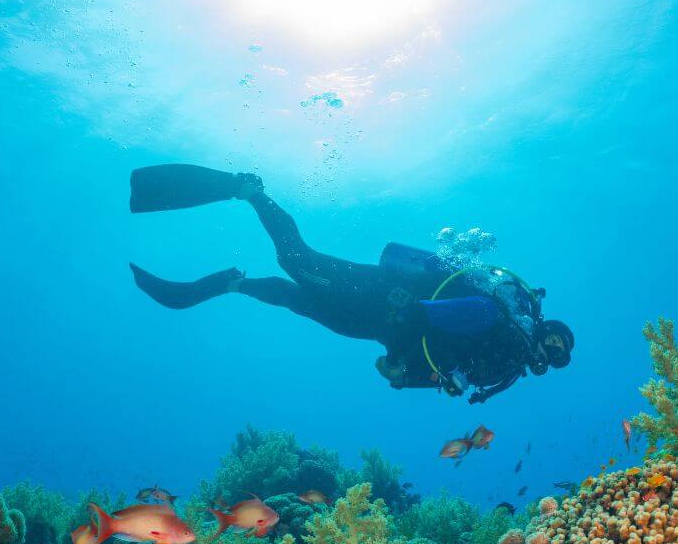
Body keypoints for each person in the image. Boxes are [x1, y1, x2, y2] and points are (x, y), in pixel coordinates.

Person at [127, 164, 573, 403]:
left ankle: (233, 284)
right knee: (297, 259)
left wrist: (400, 375)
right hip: (382, 295)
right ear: (542, 326)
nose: (551, 353)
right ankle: (250, 190)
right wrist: (411, 330)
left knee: (293, 298)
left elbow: (440, 368)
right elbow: (449, 313)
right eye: (555, 341)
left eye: (559, 356)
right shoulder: (499, 317)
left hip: (377, 326)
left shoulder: (503, 367)